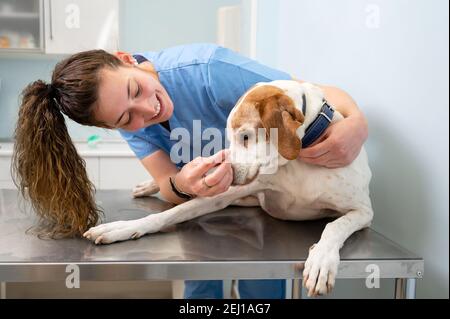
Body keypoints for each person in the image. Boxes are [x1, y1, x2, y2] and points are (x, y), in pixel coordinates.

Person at [12, 43, 368, 298]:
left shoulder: (209, 70)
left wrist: (356, 123)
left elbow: (307, 94)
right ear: (111, 126)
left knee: (261, 292)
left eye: (136, 89)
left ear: (125, 59)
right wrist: (182, 183)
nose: (146, 110)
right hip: (208, 220)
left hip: (264, 220)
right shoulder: (132, 123)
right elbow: (168, 184)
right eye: (125, 118)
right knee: (199, 295)